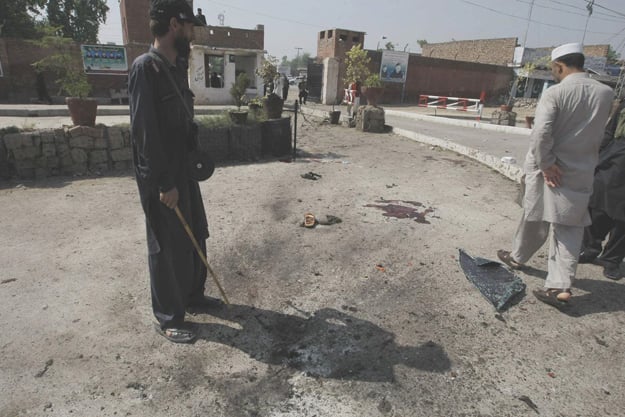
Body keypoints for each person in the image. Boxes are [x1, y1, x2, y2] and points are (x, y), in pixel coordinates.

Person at [496, 42, 613, 309]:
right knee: (567, 227)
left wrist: (547, 164)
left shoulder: (556, 93)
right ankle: (538, 270)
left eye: (553, 69)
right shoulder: (605, 93)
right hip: (581, 171)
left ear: (559, 66)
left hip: (548, 170)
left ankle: (541, 274)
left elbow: (540, 134)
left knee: (535, 214)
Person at [128, 0, 218, 344]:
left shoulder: (177, 66)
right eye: (190, 26)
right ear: (173, 25)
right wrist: (164, 183)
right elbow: (144, 134)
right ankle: (167, 318)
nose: (193, 32)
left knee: (196, 231)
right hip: (161, 176)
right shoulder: (144, 69)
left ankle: (193, 296)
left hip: (185, 169)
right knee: (166, 245)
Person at [578, 98, 625, 280]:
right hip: (614, 159)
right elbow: (609, 131)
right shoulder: (623, 106)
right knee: (597, 205)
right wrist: (596, 157)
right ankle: (590, 248)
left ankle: (612, 259)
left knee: (623, 220)